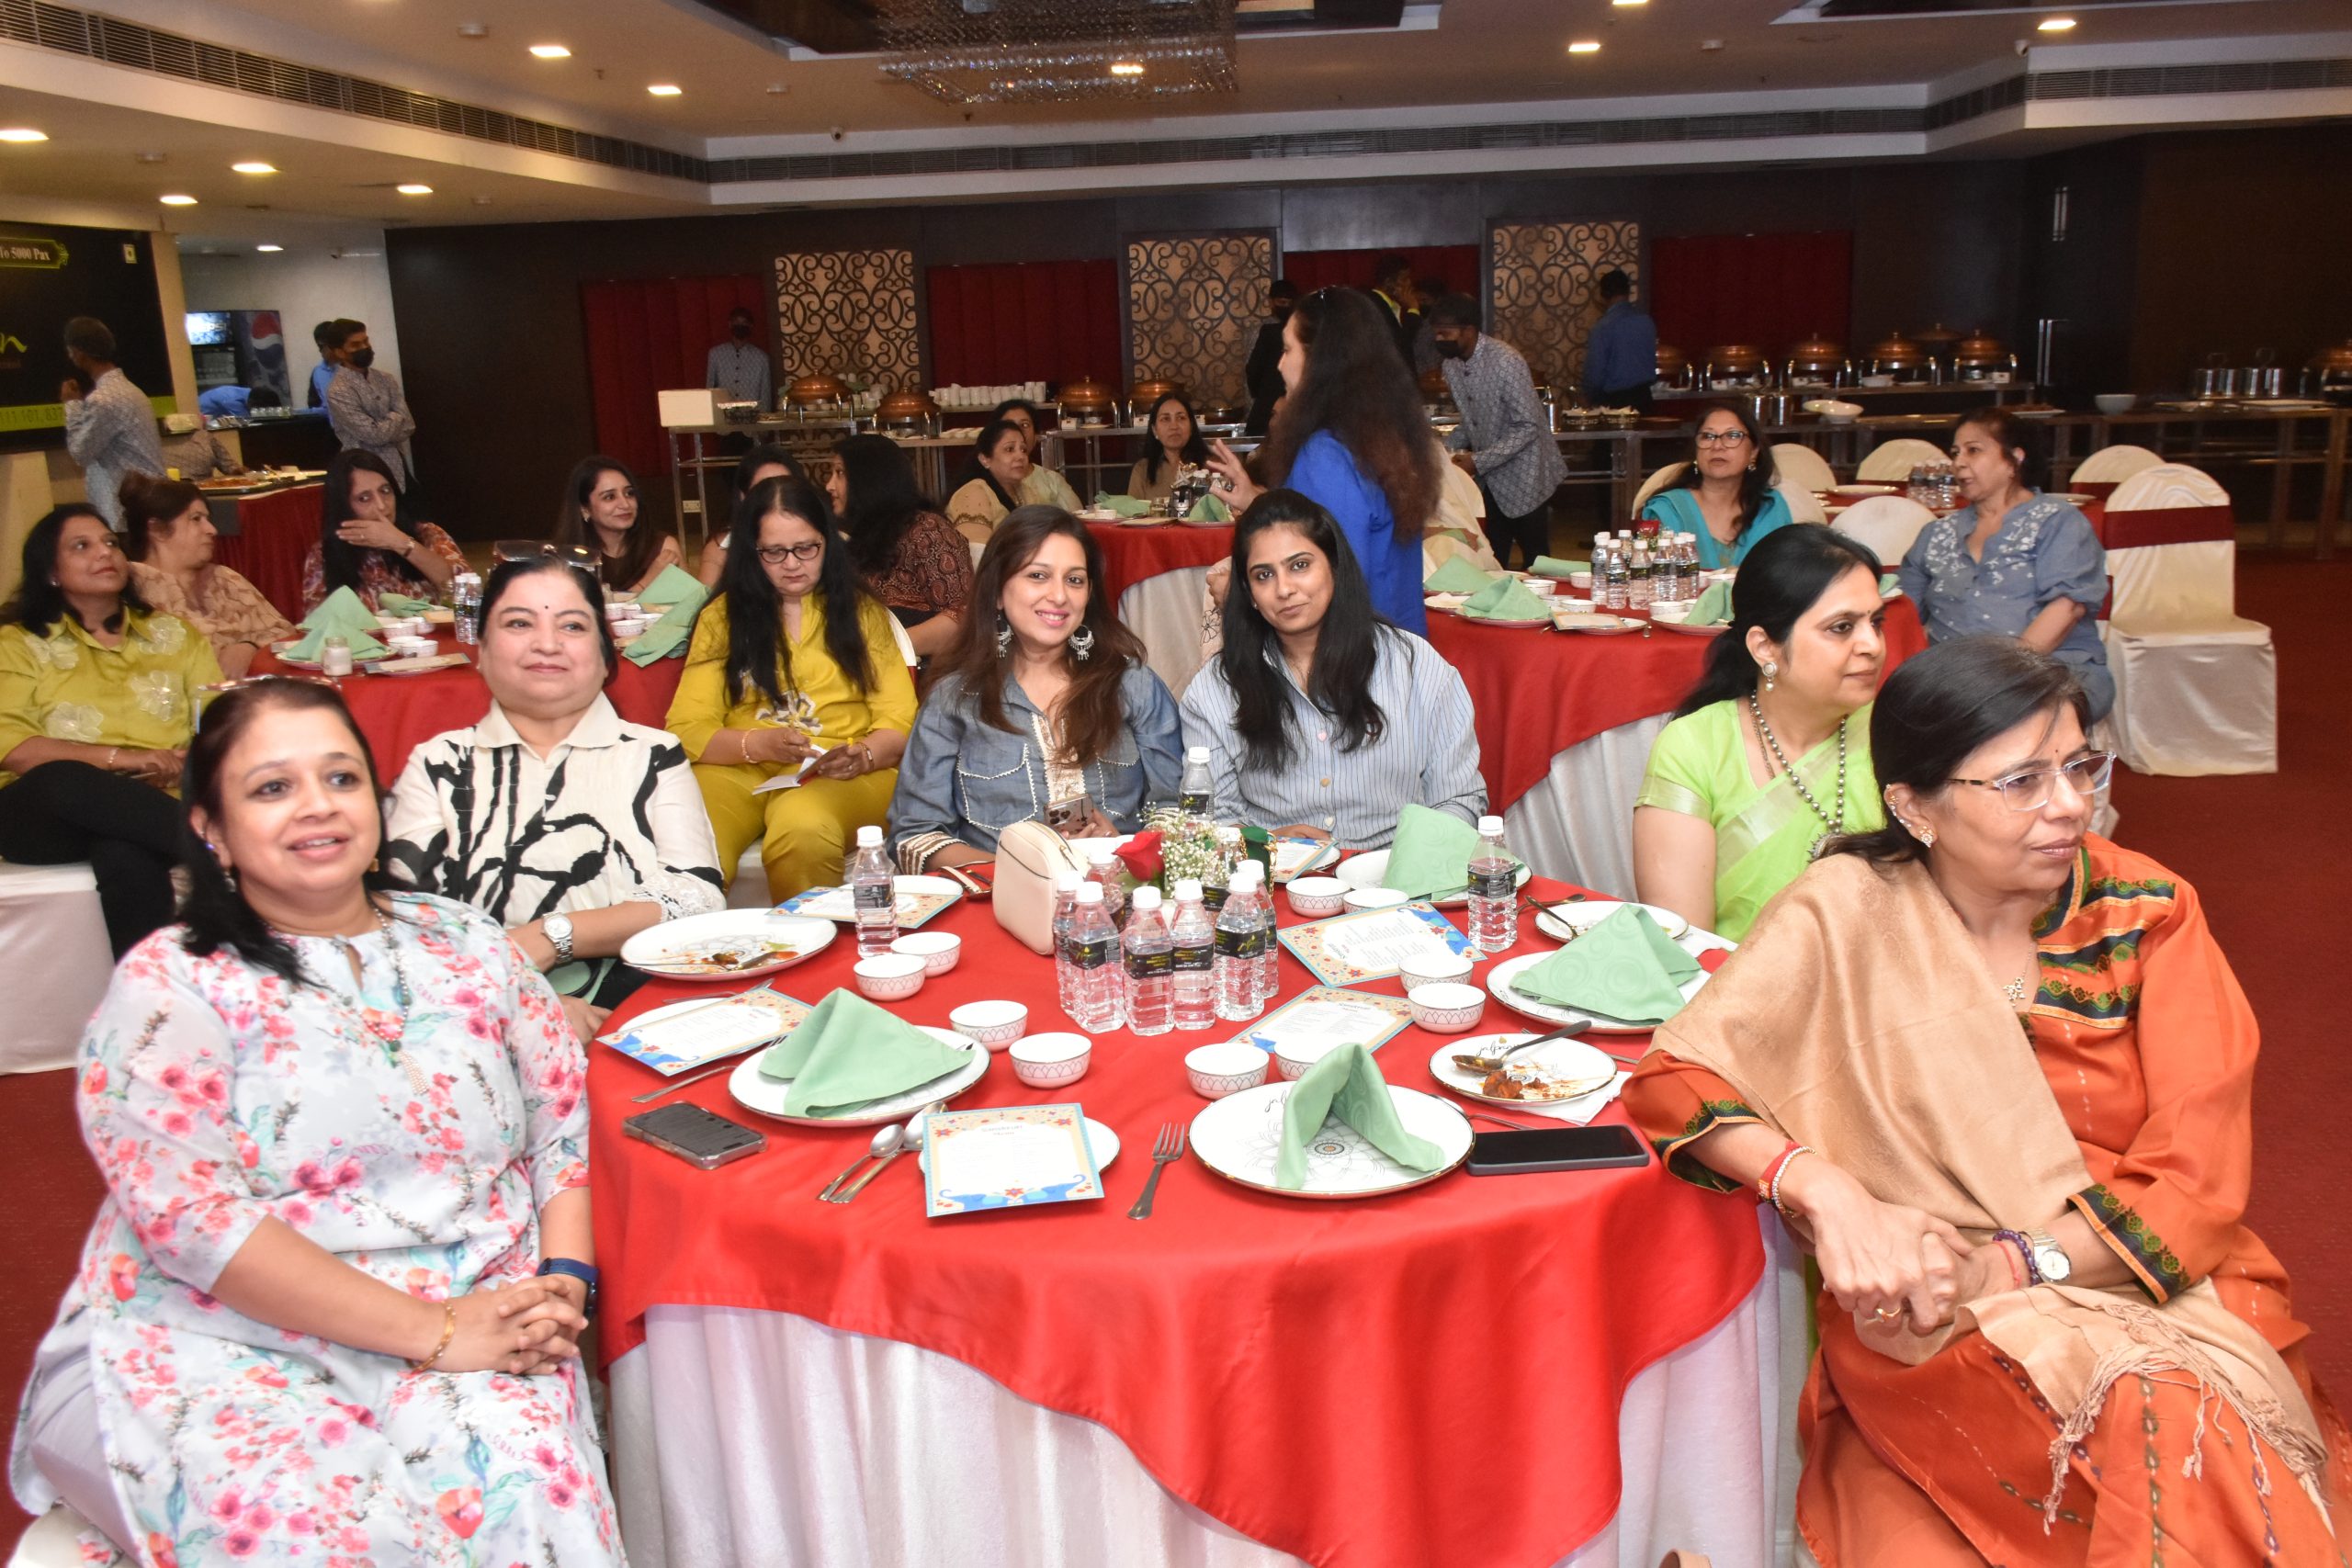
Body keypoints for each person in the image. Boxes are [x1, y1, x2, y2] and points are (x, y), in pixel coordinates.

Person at [1623, 637, 2343, 1564]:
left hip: (2152, 1273)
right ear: (1913, 806)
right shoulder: (1847, 911)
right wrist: (1830, 1194)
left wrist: (2008, 1266)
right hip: (1931, 1313)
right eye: (2021, 782)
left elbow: (2196, 1184)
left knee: (2170, 1411)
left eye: (2079, 766)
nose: (2070, 804)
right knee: (2159, 1420)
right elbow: (1676, 1079)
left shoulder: (2145, 915)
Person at [10, 678, 622, 1566]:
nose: (317, 806)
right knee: (328, 1532)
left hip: (483, 1297)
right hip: (227, 1329)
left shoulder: (466, 941)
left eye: (340, 778)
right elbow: (195, 1226)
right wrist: (440, 1332)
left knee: (531, 1500)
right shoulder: (174, 983)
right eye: (272, 787)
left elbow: (560, 1124)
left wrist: (564, 1281)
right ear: (212, 828)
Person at [388, 557, 724, 1034]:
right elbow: (405, 918)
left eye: (572, 626)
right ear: (481, 650)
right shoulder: (440, 763)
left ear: (605, 657)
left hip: (643, 1021)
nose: (547, 644)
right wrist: (532, 1001)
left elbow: (697, 898)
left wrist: (550, 937)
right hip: (479, 1020)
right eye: (519, 623)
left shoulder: (652, 754)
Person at [1181, 491, 1482, 847]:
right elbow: (1210, 824)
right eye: (1264, 575)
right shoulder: (1215, 690)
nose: (1284, 589)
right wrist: (1266, 841)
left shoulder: (1416, 666)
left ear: (1335, 567)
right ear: (1249, 595)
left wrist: (1405, 864)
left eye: (1300, 565)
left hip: (1398, 870)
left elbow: (1459, 801)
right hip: (1275, 875)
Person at [1632, 525, 1888, 942]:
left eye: (1876, 622)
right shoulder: (1695, 747)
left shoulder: (1897, 731)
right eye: (1842, 627)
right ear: (1765, 647)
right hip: (1731, 977)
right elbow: (1685, 945)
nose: (1872, 645)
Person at [667, 475, 915, 901]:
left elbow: (900, 719)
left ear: (828, 543)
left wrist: (864, 754)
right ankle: (703, 941)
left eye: (806, 548)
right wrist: (758, 745)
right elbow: (686, 728)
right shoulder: (722, 617)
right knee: (694, 837)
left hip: (839, 768)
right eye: (774, 552)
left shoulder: (862, 613)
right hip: (738, 766)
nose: (792, 564)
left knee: (803, 830)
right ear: (752, 552)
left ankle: (809, 939)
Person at [891, 505, 1182, 869]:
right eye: (1038, 576)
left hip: (1118, 890)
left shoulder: (1131, 683)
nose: (1059, 596)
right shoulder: (955, 699)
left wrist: (1125, 849)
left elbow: (1178, 810)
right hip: (999, 895)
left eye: (1074, 580)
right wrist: (1025, 869)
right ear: (998, 592)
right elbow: (916, 838)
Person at [0, 505, 220, 954]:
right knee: (62, 778)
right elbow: (15, 747)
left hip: (155, 800)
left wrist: (189, 763)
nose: (104, 553)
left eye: (110, 543)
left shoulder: (174, 635)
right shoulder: (17, 644)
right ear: (51, 572)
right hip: (41, 815)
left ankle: (146, 989)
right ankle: (230, 846)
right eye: (81, 546)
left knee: (124, 852)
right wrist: (128, 760)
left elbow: (219, 720)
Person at [1204, 288, 1442, 634]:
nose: (1279, 365)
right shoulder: (1378, 440)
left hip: (1350, 653)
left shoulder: (1325, 454)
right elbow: (1326, 528)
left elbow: (1332, 582)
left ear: (1319, 361)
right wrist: (1256, 499)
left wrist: (1239, 599)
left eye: (1288, 350)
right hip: (1396, 645)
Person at [1898, 408, 2113, 719]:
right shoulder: (1936, 533)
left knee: (2000, 717)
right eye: (1956, 453)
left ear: (2014, 459)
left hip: (2050, 670)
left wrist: (2000, 679)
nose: (1959, 462)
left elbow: (2067, 609)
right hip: (1955, 678)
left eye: (1974, 450)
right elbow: (1902, 611)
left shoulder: (2057, 522)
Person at [1428, 294, 1566, 570]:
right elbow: (1471, 421)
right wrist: (1442, 452)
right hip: (1489, 480)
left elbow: (1528, 425)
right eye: (1436, 332)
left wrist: (1477, 461)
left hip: (1526, 476)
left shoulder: (1505, 361)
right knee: (1492, 559)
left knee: (1537, 562)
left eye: (1445, 332)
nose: (1438, 338)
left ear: (1468, 330)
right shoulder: (1451, 366)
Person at [119, 472, 293, 677]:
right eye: (196, 519)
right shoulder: (135, 591)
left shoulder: (224, 579)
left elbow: (286, 635)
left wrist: (250, 647)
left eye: (207, 519)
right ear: (157, 529)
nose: (211, 529)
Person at [825, 433, 971, 661]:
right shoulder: (858, 539)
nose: (829, 486)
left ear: (869, 479)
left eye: (840, 473)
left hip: (927, 671)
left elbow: (963, 617)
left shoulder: (926, 531)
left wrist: (885, 648)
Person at [300, 450, 465, 612]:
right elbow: (319, 621)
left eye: (385, 491)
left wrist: (401, 543)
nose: (381, 505)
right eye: (364, 498)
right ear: (344, 507)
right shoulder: (323, 555)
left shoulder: (428, 534)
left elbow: (465, 593)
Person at [1642, 402, 1793, 571]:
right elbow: (1647, 577)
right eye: (1707, 436)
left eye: (1732, 436)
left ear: (1753, 452)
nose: (1717, 446)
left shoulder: (1771, 508)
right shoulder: (1666, 510)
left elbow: (1788, 575)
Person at [59, 316, 167, 533]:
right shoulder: (133, 391)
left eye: (70, 350)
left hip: (124, 512)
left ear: (79, 352)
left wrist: (72, 405)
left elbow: (80, 453)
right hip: (147, 504)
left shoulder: (103, 399)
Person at [552, 455, 684, 594]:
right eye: (610, 497)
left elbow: (689, 604)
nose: (625, 504)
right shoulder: (569, 558)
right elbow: (587, 607)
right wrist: (647, 582)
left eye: (629, 493)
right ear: (585, 509)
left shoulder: (662, 548)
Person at [322, 320, 420, 494]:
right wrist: (395, 417)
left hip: (398, 465)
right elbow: (373, 435)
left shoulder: (385, 379)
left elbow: (409, 425)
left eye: (366, 341)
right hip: (364, 471)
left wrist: (385, 427)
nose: (364, 347)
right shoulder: (338, 390)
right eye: (355, 345)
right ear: (339, 352)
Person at [696, 442, 811, 588]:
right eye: (763, 490)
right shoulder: (721, 550)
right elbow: (706, 599)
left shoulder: (817, 540)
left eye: (785, 488)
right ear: (743, 496)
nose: (776, 497)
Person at [946, 418, 1038, 545]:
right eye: (1010, 449)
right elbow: (976, 552)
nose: (1020, 456)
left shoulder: (1026, 491)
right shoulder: (974, 493)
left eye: (1023, 450)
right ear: (985, 459)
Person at [1580, 268, 1657, 412]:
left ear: (1603, 295)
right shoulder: (1646, 322)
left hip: (1615, 402)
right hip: (1644, 397)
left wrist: (1588, 396)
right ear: (1628, 292)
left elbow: (1595, 374)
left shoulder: (1602, 327)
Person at [989, 398, 1082, 511]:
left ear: (1036, 436)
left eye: (1025, 425)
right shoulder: (982, 485)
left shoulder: (1051, 480)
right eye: (1009, 425)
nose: (1017, 431)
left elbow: (1076, 517)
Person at [1125, 392, 1209, 504]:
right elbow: (1132, 512)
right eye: (1165, 419)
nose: (1174, 426)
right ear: (1154, 430)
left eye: (1181, 418)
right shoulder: (1142, 469)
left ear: (1191, 427)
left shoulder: (1210, 465)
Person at [1243, 277, 1297, 434]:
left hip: (1267, 404)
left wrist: (1260, 397)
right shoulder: (1305, 331)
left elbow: (1252, 371)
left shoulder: (1263, 331)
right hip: (1293, 407)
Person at [706, 304, 774, 413]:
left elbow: (765, 394)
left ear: (751, 326)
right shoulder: (716, 354)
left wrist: (764, 417)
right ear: (730, 324)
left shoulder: (761, 358)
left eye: (744, 323)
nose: (740, 326)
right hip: (724, 416)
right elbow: (710, 389)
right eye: (737, 322)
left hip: (751, 418)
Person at [1368, 254, 1420, 367]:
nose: (1409, 283)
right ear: (1388, 282)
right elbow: (1400, 343)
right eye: (1404, 279)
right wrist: (1413, 309)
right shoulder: (1374, 305)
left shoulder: (1394, 305)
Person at [158, 412, 243, 480]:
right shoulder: (205, 438)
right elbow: (231, 467)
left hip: (171, 489)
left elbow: (231, 468)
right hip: (202, 489)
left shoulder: (206, 438)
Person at [307, 318, 343, 408]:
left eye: (322, 346)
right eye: (318, 346)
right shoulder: (317, 372)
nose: (320, 350)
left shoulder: (353, 368)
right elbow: (313, 405)